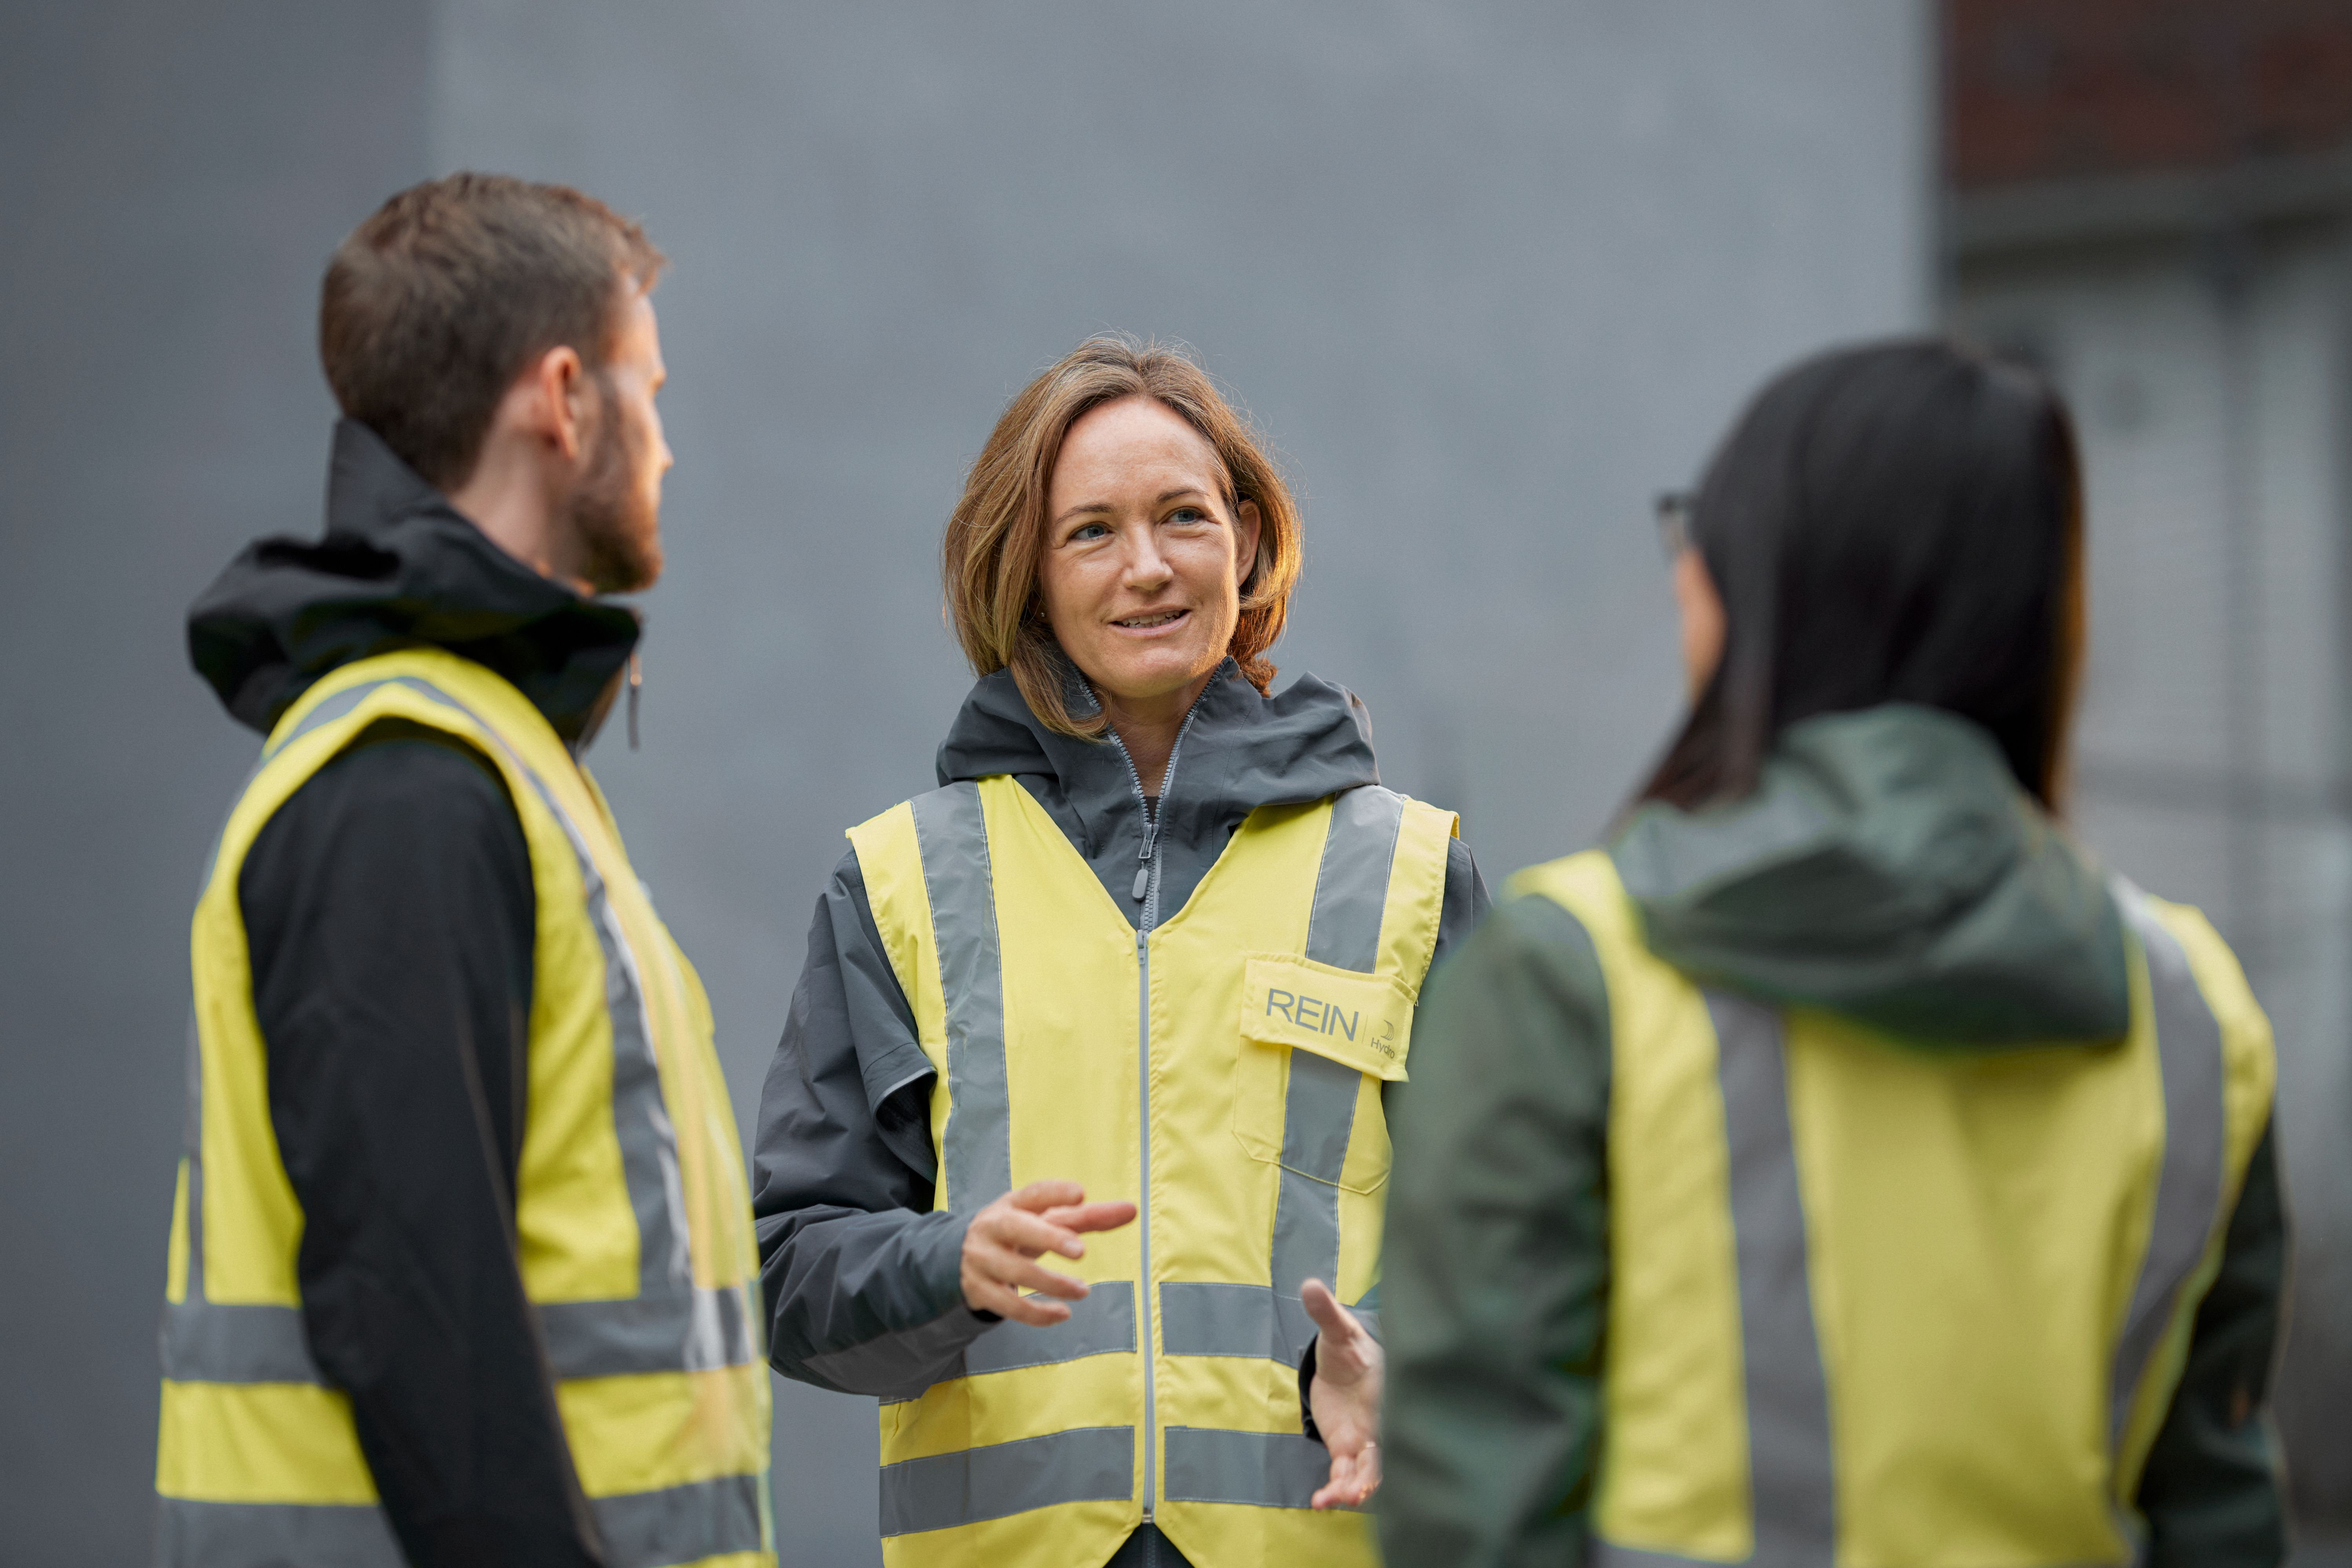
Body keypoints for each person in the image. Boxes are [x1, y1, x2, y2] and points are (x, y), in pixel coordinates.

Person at [1379, 338, 2288, 1567]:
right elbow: (2217, 1517)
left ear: (1770, 589)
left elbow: (1474, 1524)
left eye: (1702, 536)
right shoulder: (2193, 1015)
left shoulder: (1571, 973)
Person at [751, 335, 1488, 1568]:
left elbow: (1533, 1236)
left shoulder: (1408, 871)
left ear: (1246, 541)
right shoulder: (897, 882)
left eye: (1183, 518)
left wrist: (1400, 1352)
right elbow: (788, 1271)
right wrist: (951, 1265)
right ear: (1028, 574)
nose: (1146, 568)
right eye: (1090, 531)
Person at [158, 175, 772, 1568]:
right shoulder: (409, 785)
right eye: (649, 390)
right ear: (563, 397)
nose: (667, 447)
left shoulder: (478, 755)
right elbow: (413, 1313)